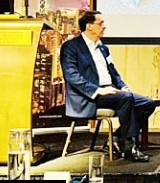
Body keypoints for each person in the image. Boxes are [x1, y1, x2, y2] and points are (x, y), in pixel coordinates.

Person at [60, 10, 154, 162]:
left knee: (148, 103)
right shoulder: (71, 47)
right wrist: (98, 90)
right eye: (101, 23)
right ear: (89, 26)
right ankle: (129, 146)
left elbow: (114, 73)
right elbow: (72, 77)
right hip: (89, 96)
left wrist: (123, 87)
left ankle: (115, 138)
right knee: (126, 99)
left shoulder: (103, 48)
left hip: (111, 91)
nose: (104, 27)